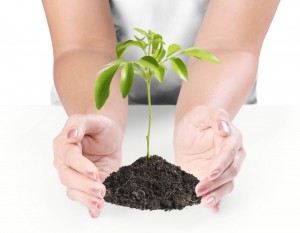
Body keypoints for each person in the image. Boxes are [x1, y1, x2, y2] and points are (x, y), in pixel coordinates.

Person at [42, 0, 280, 218]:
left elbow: (230, 44)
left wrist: (208, 114)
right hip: (89, 94)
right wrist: (94, 116)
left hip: (221, 95)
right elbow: (83, 46)